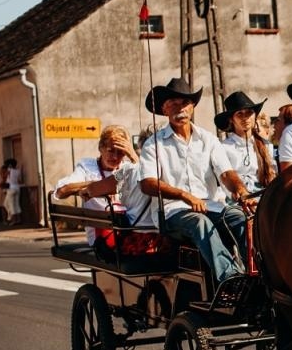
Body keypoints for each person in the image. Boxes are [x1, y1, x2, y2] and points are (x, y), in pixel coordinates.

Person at [126, 76, 252, 288]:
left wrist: (241, 190)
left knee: (241, 218)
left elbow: (226, 173)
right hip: (173, 212)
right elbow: (147, 183)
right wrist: (184, 195)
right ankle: (230, 280)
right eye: (173, 103)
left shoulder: (208, 139)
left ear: (192, 107)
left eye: (185, 103)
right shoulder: (154, 144)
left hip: (211, 206)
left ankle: (257, 275)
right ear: (164, 109)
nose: (180, 108)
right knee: (200, 223)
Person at [52, 126, 138, 244]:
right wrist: (96, 186)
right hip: (102, 234)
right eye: (111, 150)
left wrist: (134, 156)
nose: (115, 157)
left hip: (130, 228)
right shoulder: (88, 167)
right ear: (100, 148)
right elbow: (61, 191)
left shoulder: (129, 167)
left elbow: (148, 181)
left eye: (121, 153)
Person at [218, 90, 275, 196]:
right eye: (239, 114)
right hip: (237, 199)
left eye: (249, 112)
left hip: (265, 197)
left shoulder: (266, 145)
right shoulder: (223, 148)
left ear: (255, 116)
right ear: (231, 119)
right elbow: (224, 180)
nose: (245, 118)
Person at [1, 159, 23, 225]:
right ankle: (18, 219)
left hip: (11, 188)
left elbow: (4, 176)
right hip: (17, 188)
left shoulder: (9, 170)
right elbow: (19, 180)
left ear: (10, 165)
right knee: (16, 204)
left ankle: (13, 220)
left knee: (8, 204)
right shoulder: (18, 171)